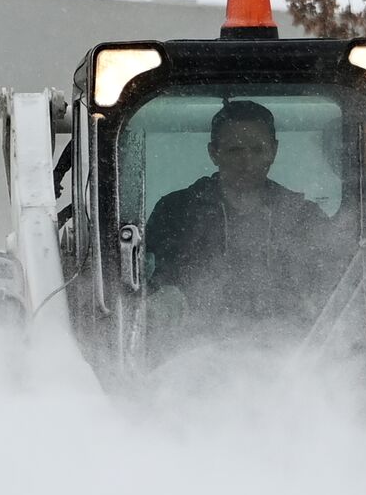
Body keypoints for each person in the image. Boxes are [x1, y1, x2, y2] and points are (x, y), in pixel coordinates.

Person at [144, 99, 341, 346]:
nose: (247, 162)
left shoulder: (303, 217)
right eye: (235, 150)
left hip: (291, 355)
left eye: (257, 150)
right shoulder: (175, 212)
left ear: (274, 150)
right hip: (191, 354)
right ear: (213, 152)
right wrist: (166, 299)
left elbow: (335, 287)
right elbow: (144, 279)